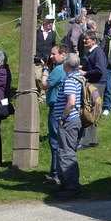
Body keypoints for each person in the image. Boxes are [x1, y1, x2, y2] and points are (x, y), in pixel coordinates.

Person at [52, 52, 84, 199]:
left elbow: (71, 102)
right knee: (64, 152)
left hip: (69, 121)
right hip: (74, 120)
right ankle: (67, 185)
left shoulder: (70, 80)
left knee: (66, 153)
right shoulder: (79, 77)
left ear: (66, 64)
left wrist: (62, 118)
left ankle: (72, 187)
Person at [39, 44, 68, 185]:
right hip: (63, 108)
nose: (51, 56)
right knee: (58, 141)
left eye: (53, 54)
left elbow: (44, 85)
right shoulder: (66, 68)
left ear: (63, 54)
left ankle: (56, 173)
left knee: (55, 141)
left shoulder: (58, 69)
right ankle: (55, 171)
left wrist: (44, 70)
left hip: (56, 108)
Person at [78, 30, 105, 148]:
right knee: (92, 111)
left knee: (88, 111)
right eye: (84, 39)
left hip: (96, 84)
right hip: (94, 83)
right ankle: (92, 140)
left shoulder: (97, 52)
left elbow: (100, 70)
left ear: (94, 41)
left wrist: (85, 72)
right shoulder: (91, 52)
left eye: (86, 39)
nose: (84, 41)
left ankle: (84, 142)